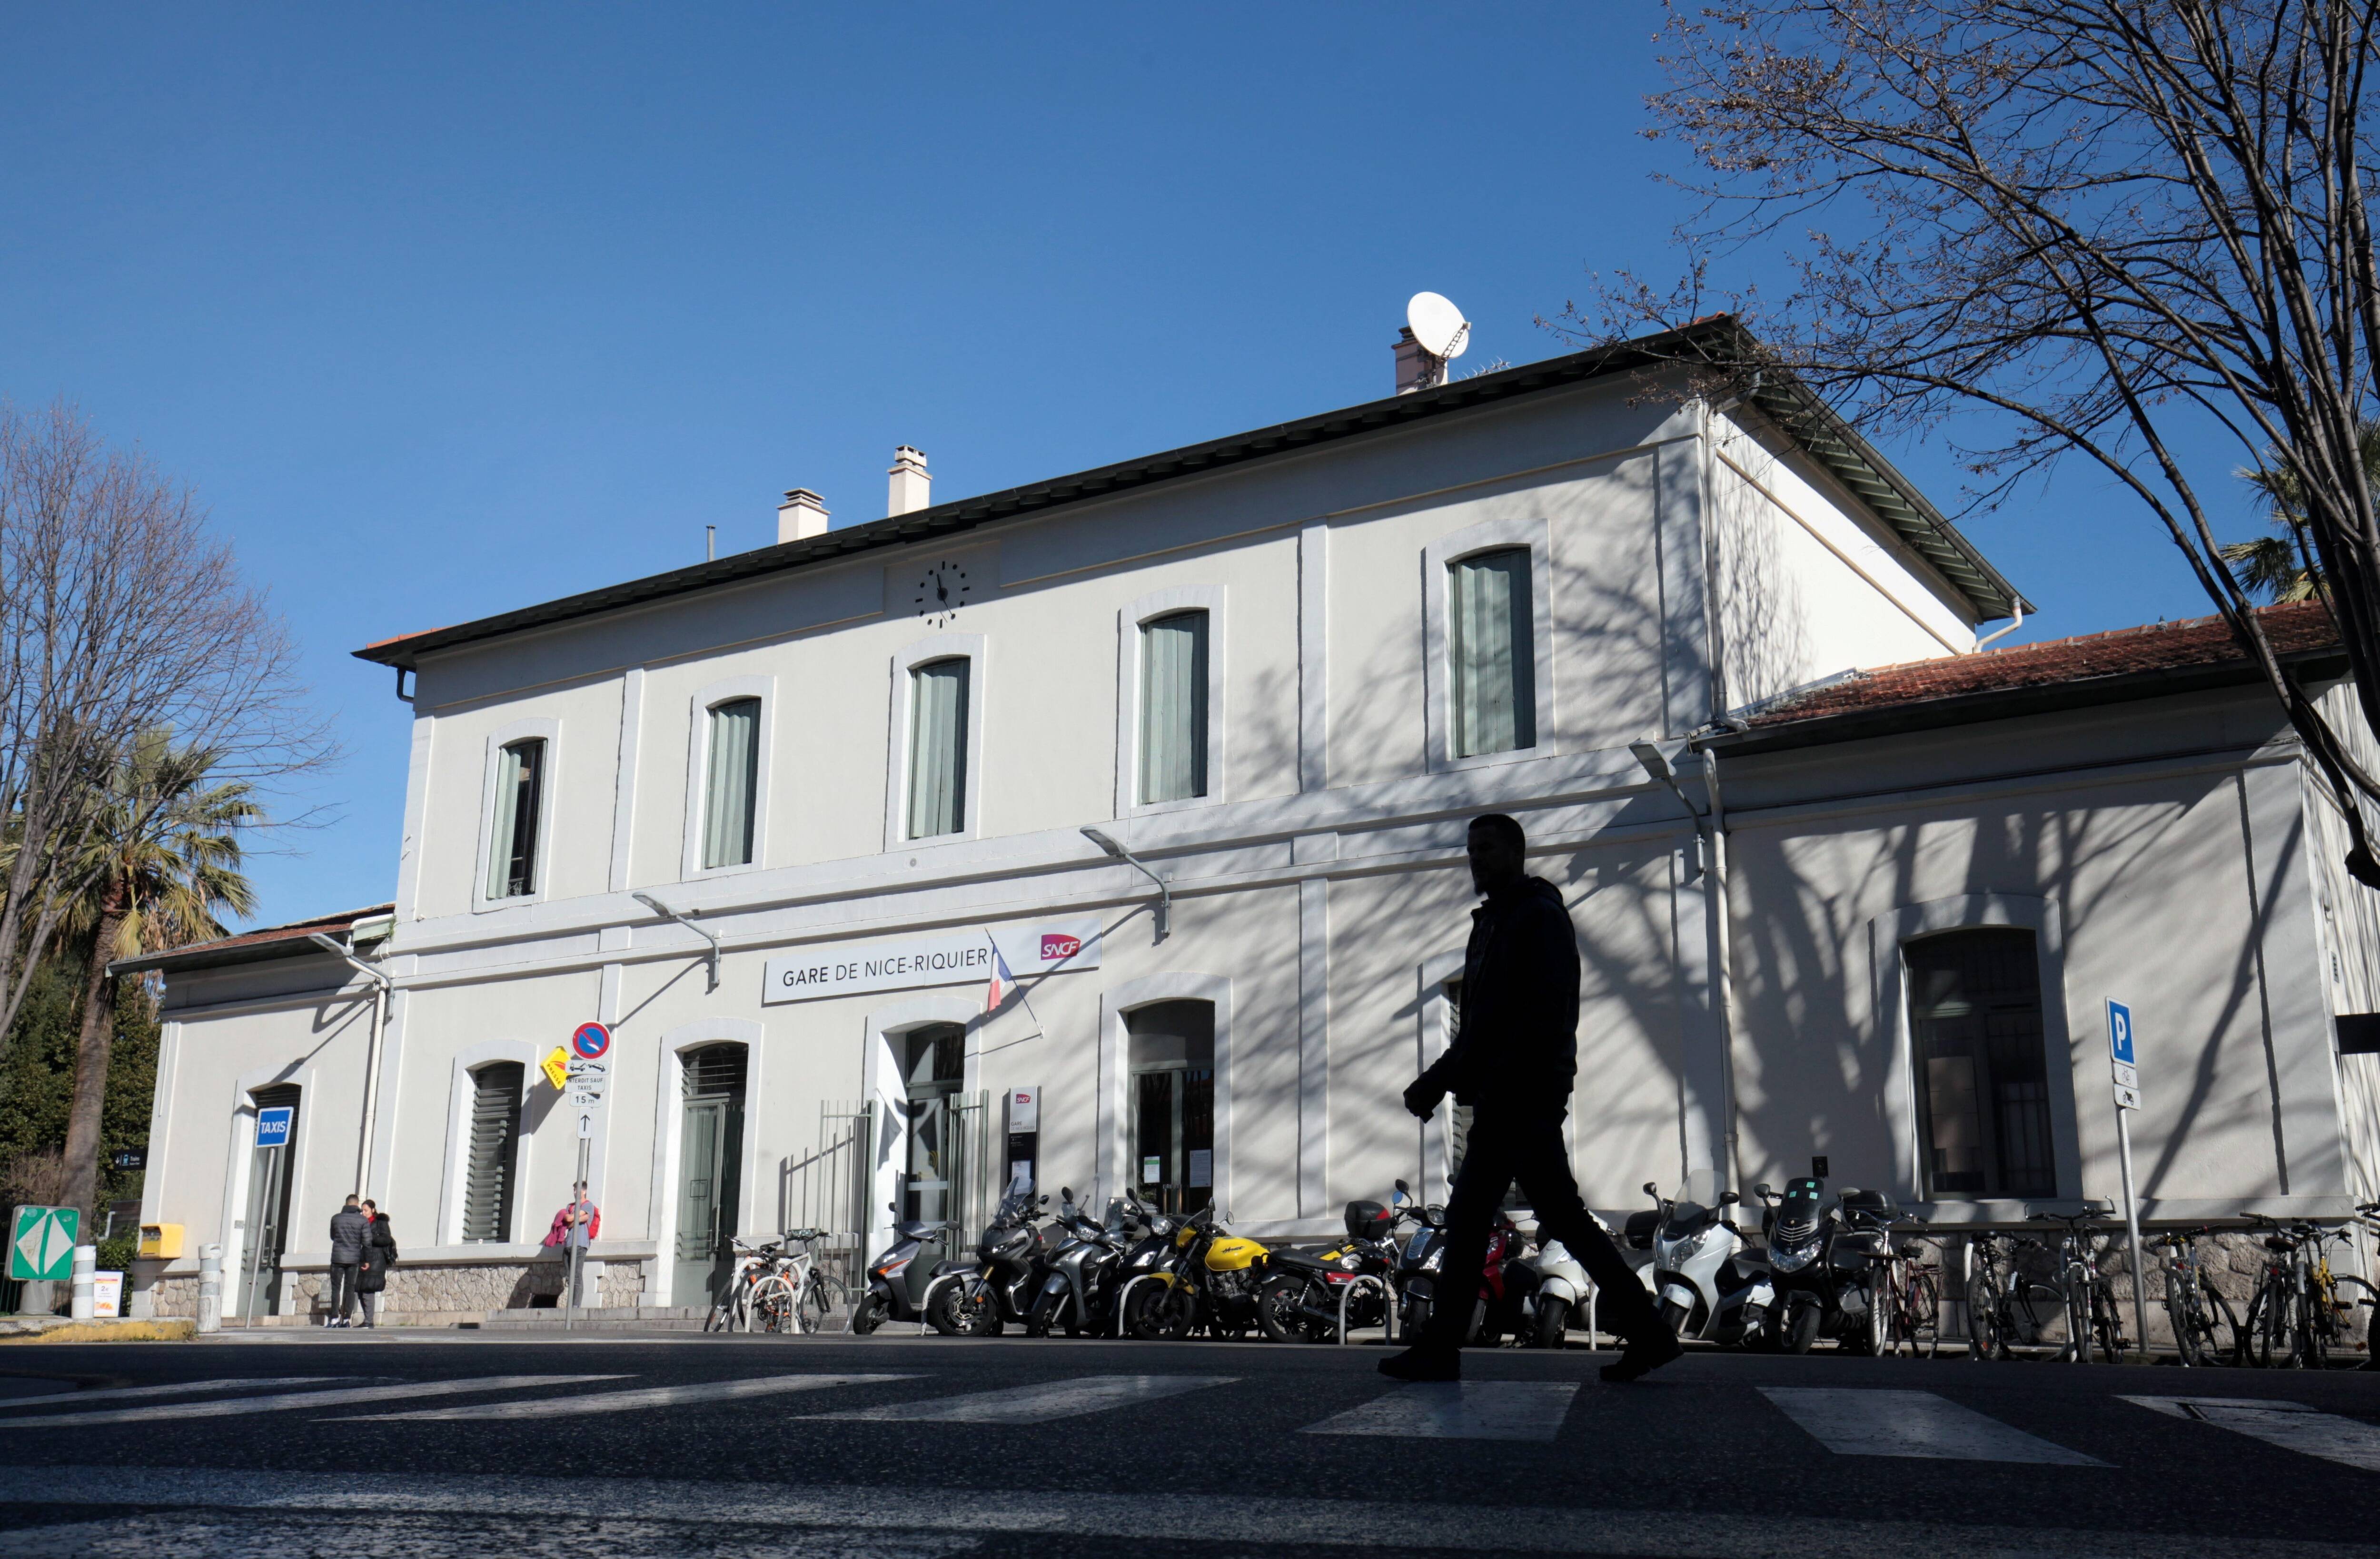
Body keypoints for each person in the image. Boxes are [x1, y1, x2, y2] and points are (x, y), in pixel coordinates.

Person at [1379, 812, 1683, 1385]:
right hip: (1510, 1093)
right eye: (1471, 850)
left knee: (1476, 1217)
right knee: (1546, 1217)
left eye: (1487, 849)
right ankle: (1650, 1333)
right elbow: (1480, 1025)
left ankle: (1443, 1349)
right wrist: (1449, 1078)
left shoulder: (1533, 918)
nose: (1476, 859)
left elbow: (1512, 1020)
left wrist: (1439, 1081)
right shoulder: (1496, 921)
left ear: (1516, 853)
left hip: (1521, 1094)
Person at [542, 1183, 599, 1306]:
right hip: (568, 1244)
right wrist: (577, 1219)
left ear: (584, 1191)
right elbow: (567, 1222)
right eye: (574, 1190)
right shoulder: (570, 1206)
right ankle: (571, 1305)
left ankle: (576, 1306)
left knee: (577, 1276)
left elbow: (571, 1219)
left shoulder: (589, 1205)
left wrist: (572, 1218)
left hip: (580, 1244)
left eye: (577, 1190)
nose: (575, 1192)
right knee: (569, 1275)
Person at [325, 1194, 369, 1328]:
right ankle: (346, 1319)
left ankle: (333, 1319)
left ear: (346, 1203)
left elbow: (333, 1236)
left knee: (335, 1289)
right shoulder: (363, 1221)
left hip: (337, 1257)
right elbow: (367, 1242)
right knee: (350, 1289)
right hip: (354, 1259)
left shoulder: (336, 1218)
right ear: (357, 1205)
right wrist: (366, 1260)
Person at [354, 1199, 397, 1329]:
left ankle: (369, 1320)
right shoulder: (362, 1223)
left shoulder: (380, 1222)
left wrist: (369, 1237)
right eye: (362, 1210)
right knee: (361, 1289)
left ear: (373, 1210)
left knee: (368, 1289)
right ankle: (367, 1319)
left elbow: (386, 1239)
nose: (364, 1213)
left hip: (376, 1260)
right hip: (364, 1258)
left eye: (366, 1210)